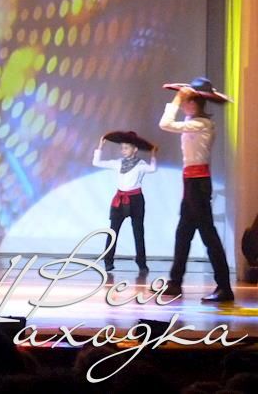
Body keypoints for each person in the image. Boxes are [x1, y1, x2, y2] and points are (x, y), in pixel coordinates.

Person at [158, 77, 234, 302]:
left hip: (198, 184)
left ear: (193, 103)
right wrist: (181, 96)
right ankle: (175, 282)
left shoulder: (202, 124)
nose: (182, 104)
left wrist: (176, 99)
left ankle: (224, 287)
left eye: (185, 101)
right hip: (192, 181)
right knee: (183, 234)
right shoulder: (193, 121)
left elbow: (165, 124)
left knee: (208, 235)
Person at [92, 132, 157, 274]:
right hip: (120, 200)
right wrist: (100, 147)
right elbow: (96, 163)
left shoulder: (140, 164)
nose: (123, 150)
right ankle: (108, 261)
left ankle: (141, 262)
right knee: (113, 231)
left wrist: (153, 155)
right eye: (122, 148)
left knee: (138, 232)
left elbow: (152, 169)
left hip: (136, 200)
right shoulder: (118, 163)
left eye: (126, 148)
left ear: (135, 149)